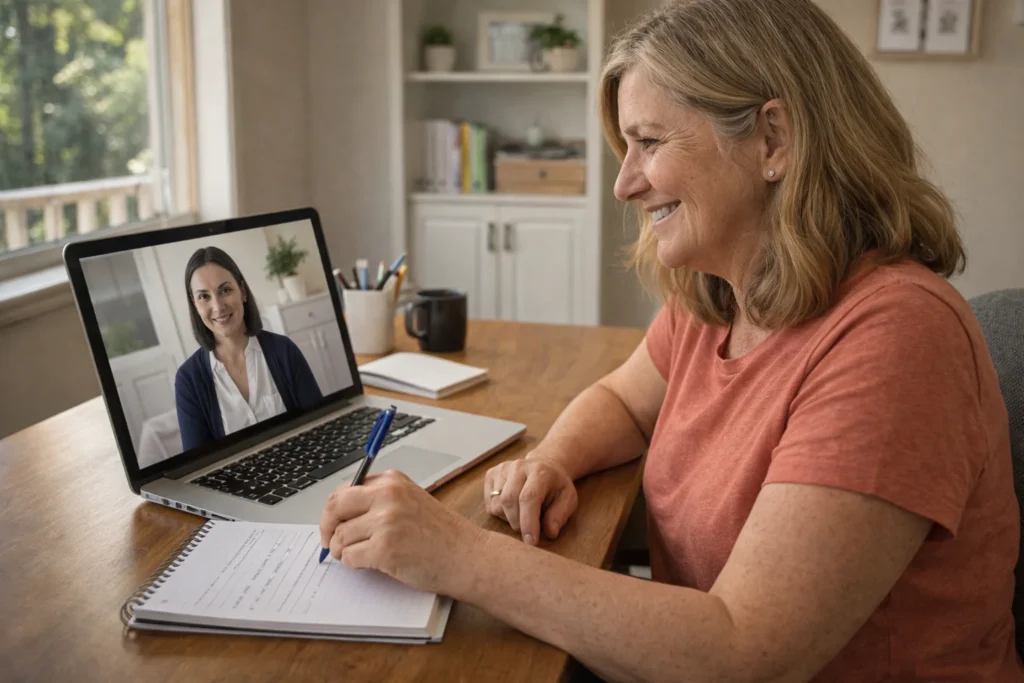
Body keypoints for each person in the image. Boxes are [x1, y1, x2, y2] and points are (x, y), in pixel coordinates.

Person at [318, 1, 1023, 680]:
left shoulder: (896, 336)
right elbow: (626, 402)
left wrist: (460, 555)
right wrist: (554, 458)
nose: (625, 183)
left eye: (649, 142)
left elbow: (748, 653)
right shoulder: (718, 293)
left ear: (773, 141)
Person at [174, 246, 322, 452]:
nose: (217, 307)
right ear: (195, 305)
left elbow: (322, 428)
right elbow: (198, 466)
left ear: (242, 291)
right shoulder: (188, 380)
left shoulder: (284, 351)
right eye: (204, 297)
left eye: (225, 290)